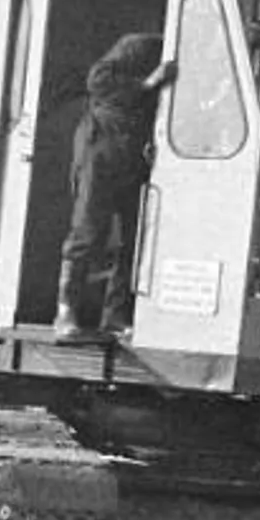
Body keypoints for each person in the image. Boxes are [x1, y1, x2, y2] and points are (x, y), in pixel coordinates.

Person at [59, 32, 171, 341]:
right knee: (87, 231)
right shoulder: (141, 46)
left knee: (133, 240)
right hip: (101, 150)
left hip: (132, 155)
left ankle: (115, 316)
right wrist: (147, 84)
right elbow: (98, 80)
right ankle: (66, 311)